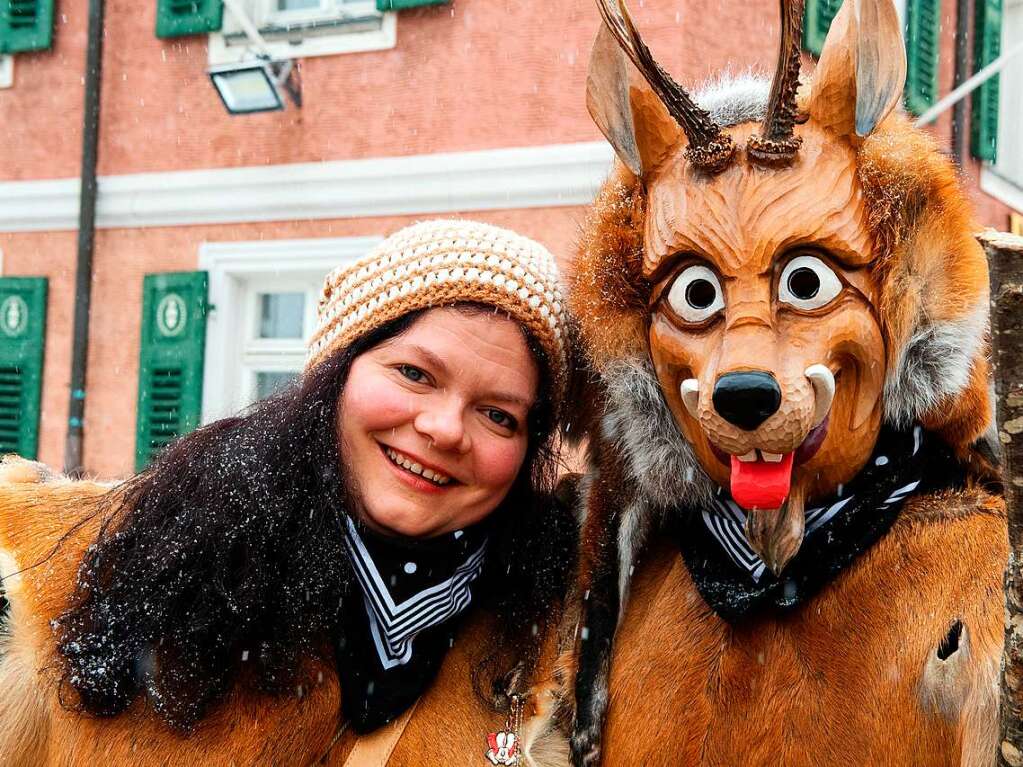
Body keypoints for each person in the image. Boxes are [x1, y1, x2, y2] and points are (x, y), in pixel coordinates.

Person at [0, 219, 576, 765]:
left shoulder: (563, 646)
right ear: (337, 371)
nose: (446, 429)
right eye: (415, 374)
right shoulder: (95, 567)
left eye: (499, 415)